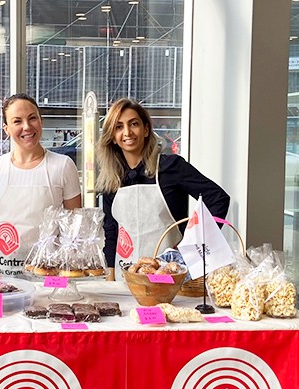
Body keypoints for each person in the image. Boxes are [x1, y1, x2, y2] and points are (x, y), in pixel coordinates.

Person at [96, 98, 230, 281]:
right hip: (125, 277)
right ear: (112, 137)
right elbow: (111, 231)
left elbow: (218, 198)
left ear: (146, 129)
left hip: (169, 277)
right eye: (119, 127)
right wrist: (110, 273)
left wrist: (192, 245)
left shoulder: (171, 167)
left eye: (133, 124)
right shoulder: (111, 180)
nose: (127, 132)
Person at [0, 93, 82, 276]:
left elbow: (73, 225)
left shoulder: (62, 165)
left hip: (44, 269)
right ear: (6, 128)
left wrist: (68, 273)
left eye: (32, 118)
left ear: (41, 121)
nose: (27, 127)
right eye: (17, 121)